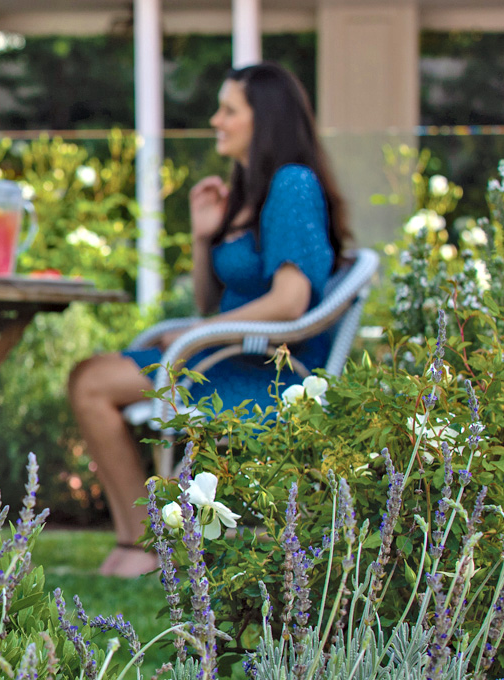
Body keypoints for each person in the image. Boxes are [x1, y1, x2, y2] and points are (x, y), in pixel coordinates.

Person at [68, 62, 347, 578]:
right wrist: (204, 236)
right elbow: (208, 301)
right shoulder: (251, 192)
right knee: (88, 379)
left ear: (264, 120)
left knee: (91, 381)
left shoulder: (292, 184)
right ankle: (144, 540)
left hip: (269, 373)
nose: (216, 119)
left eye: (228, 110)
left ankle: (144, 545)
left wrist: (197, 336)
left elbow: (290, 300)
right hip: (224, 355)